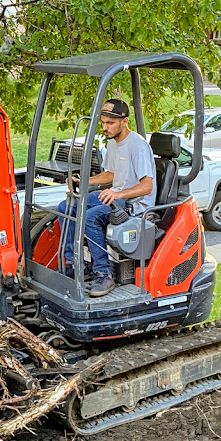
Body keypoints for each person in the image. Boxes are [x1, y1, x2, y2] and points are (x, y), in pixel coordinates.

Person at [57, 99, 157, 297]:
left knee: (91, 217)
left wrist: (118, 193)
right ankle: (75, 264)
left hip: (135, 204)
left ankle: (104, 274)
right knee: (66, 207)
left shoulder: (138, 146)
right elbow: (111, 174)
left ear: (125, 121)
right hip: (116, 196)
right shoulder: (113, 143)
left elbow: (147, 186)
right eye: (103, 123)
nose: (105, 127)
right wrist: (84, 182)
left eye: (109, 123)